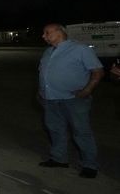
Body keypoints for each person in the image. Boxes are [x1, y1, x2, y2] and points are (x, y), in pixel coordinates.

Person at [38, 23, 104, 178]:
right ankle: (59, 159)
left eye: (47, 32)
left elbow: (98, 72)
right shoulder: (48, 51)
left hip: (73, 99)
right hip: (50, 99)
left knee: (81, 132)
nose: (43, 36)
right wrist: (40, 91)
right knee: (55, 129)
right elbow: (44, 73)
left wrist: (87, 90)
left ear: (60, 32)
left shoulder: (80, 49)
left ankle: (89, 165)